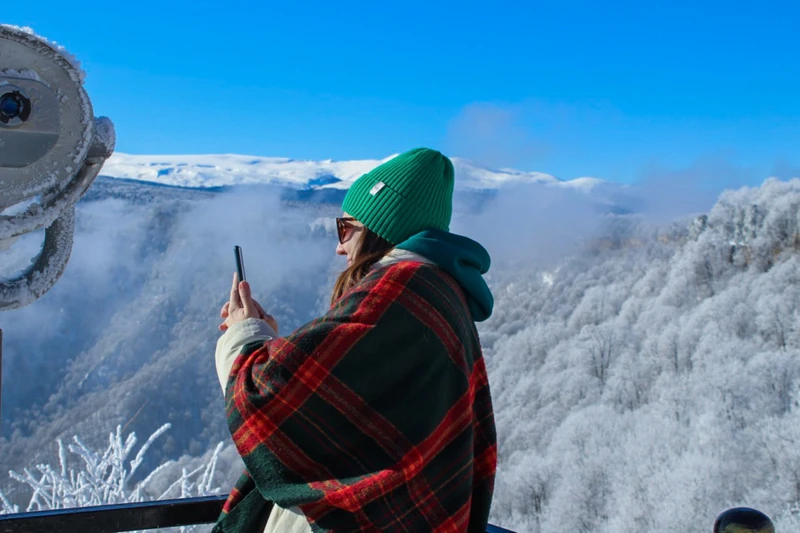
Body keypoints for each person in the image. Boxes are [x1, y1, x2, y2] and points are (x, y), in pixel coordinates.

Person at [212, 147, 497, 533]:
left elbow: (267, 397)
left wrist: (245, 333)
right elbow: (353, 409)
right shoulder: (440, 293)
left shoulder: (399, 291)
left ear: (380, 230)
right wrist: (268, 341)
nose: (339, 245)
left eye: (346, 228)